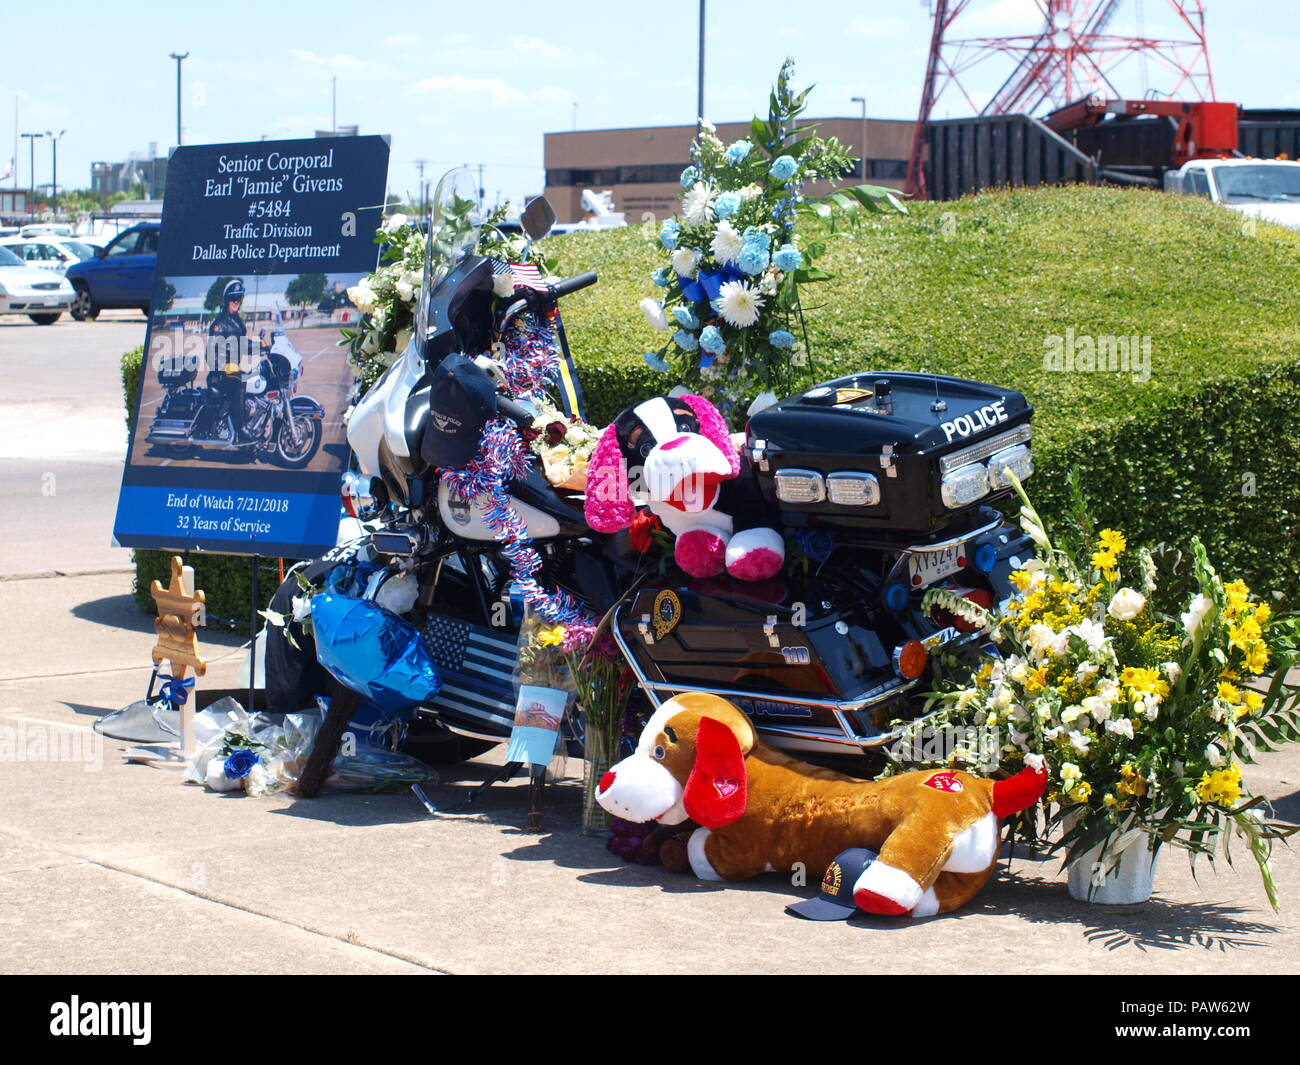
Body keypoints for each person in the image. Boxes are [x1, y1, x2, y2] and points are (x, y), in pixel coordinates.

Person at [208, 279, 253, 442]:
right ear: (227, 300)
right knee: (241, 379)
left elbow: (240, 344)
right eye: (233, 299)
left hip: (232, 370)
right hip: (220, 375)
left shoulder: (237, 320)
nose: (237, 302)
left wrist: (262, 346)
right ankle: (241, 430)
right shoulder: (219, 324)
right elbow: (212, 351)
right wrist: (225, 365)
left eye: (239, 298)